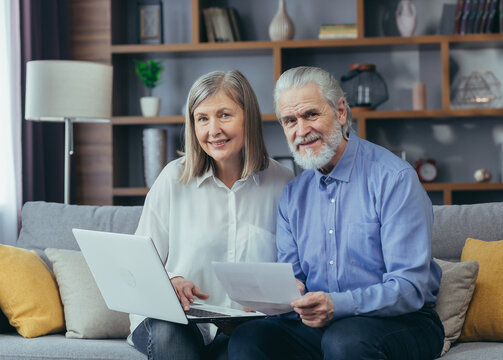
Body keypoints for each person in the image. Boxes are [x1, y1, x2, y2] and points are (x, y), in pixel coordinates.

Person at [228, 66, 444, 360]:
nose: (301, 131)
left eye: (311, 115)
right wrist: (277, 297)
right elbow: (294, 279)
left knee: (344, 342)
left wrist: (338, 305)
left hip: (403, 321)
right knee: (248, 338)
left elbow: (409, 289)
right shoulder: (293, 195)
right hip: (322, 325)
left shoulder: (394, 179)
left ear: (340, 111)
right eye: (290, 120)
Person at [129, 70, 294, 360]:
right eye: (202, 118)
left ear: (249, 118)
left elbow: (295, 272)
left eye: (224, 115)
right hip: (174, 321)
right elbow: (137, 268)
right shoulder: (172, 179)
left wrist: (269, 303)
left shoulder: (283, 184)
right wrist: (170, 281)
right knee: (170, 333)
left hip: (247, 327)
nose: (212, 130)